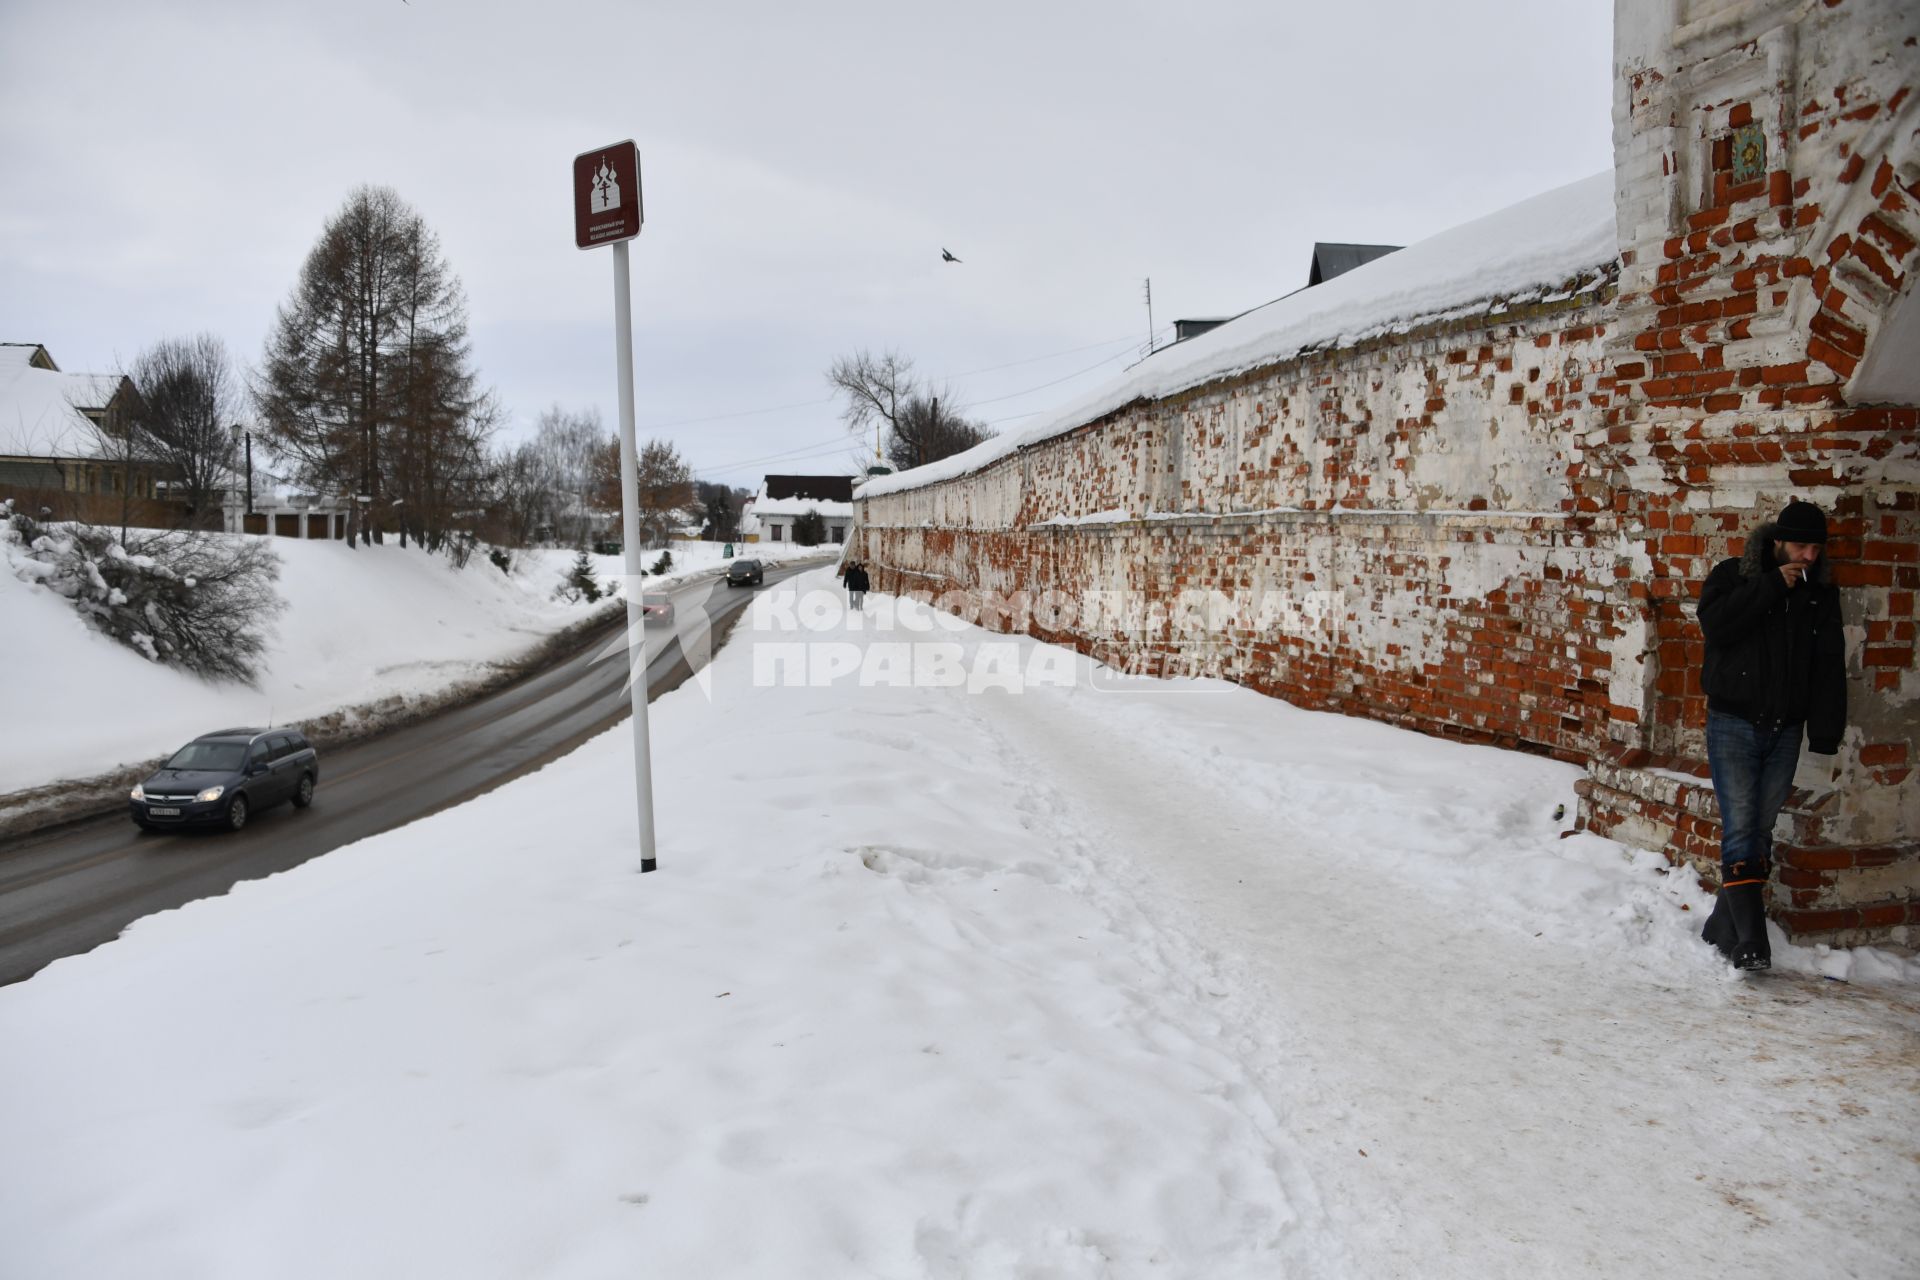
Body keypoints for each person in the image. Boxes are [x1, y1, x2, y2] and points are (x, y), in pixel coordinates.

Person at [1695, 500, 1846, 971]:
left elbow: (1828, 666)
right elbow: (1715, 626)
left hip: (1785, 729)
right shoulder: (1733, 574)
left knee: (1759, 829)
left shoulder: (1819, 592)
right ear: (1777, 541)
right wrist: (1766, 588)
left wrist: (1824, 731)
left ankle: (1723, 927)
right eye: (1800, 545)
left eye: (1816, 548)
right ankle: (1754, 941)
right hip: (1733, 722)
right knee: (1741, 826)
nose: (1809, 556)